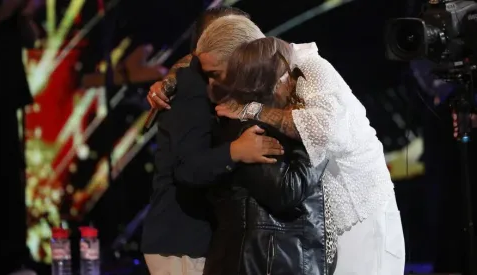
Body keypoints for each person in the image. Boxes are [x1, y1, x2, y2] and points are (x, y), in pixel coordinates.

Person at [148, 15, 405, 274]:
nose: (212, 84)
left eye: (215, 74)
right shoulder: (268, 67)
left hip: (361, 216)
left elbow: (323, 133)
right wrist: (168, 81)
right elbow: (204, 57)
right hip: (330, 224)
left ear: (243, 58)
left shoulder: (309, 69)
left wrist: (250, 109)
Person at [140, 7, 283, 275]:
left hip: (204, 241)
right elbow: (188, 168)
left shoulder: (221, 81)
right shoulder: (191, 90)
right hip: (183, 244)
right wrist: (236, 151)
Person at [203, 36, 334, 275]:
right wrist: (314, 139)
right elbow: (287, 189)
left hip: (272, 260)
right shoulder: (249, 127)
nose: (296, 82)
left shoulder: (262, 120)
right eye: (289, 74)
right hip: (265, 262)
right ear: (274, 79)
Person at [0, 0, 37, 274]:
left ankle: (15, 255)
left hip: (6, 94)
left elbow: (31, 39)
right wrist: (8, 9)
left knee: (11, 174)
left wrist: (23, 14)